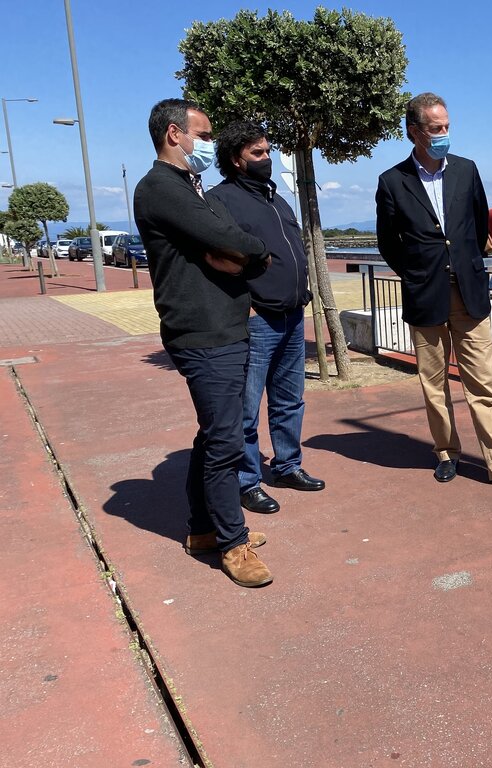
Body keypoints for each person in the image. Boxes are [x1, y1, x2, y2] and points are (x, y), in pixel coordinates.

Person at [375, 92, 492, 491]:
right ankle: (446, 453)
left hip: (468, 293)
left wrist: (467, 265)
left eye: (447, 126)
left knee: (484, 383)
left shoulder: (466, 170)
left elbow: (476, 224)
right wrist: (415, 275)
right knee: (433, 384)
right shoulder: (392, 181)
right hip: (426, 295)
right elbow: (388, 242)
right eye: (436, 128)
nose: (444, 134)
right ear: (415, 131)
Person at [134, 98, 274, 588]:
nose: (209, 144)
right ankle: (233, 543)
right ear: (175, 134)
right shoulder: (160, 188)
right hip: (203, 332)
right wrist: (254, 254)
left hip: (223, 326)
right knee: (226, 441)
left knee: (213, 433)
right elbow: (227, 237)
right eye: (205, 135)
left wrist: (240, 253)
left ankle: (202, 529)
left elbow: (230, 238)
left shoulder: (188, 186)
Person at [206, 121, 325, 516]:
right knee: (246, 408)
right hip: (258, 320)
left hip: (293, 315)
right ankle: (247, 481)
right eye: (257, 153)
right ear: (236, 160)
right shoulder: (221, 200)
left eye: (268, 151)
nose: (267, 158)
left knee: (290, 400)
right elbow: (218, 258)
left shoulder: (276, 198)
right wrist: (248, 305)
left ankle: (288, 466)